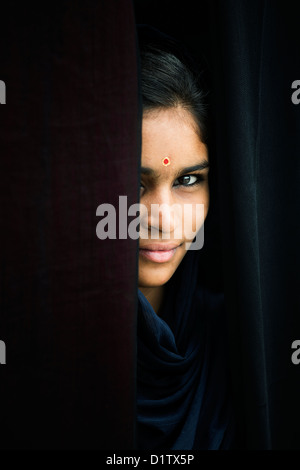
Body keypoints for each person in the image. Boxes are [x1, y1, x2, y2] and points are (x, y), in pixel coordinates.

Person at [136, 25, 236, 450]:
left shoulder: (239, 339)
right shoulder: (42, 347)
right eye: (133, 183)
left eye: (188, 179)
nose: (162, 219)